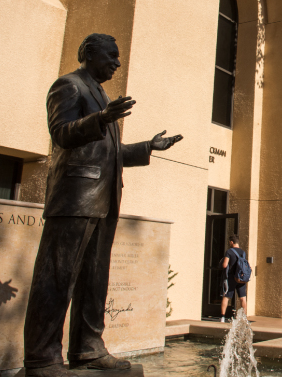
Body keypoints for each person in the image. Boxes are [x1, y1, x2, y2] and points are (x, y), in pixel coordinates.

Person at [23, 34, 183, 377]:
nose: (117, 62)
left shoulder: (101, 95)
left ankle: (88, 348)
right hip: (74, 199)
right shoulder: (69, 86)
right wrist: (102, 119)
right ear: (89, 53)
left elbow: (111, 154)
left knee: (95, 279)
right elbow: (61, 133)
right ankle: (41, 359)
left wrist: (148, 147)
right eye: (111, 55)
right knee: (56, 278)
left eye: (118, 56)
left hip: (103, 199)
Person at [220, 235, 247, 322]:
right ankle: (244, 318)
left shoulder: (229, 252)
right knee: (243, 298)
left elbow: (225, 265)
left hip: (231, 278)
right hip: (241, 278)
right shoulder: (243, 252)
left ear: (231, 242)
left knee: (226, 297)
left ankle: (222, 317)